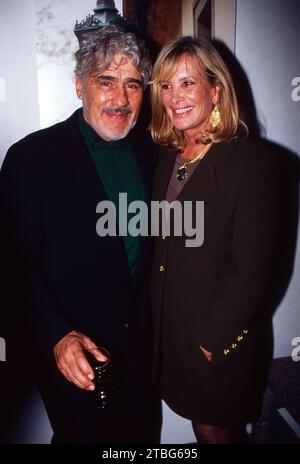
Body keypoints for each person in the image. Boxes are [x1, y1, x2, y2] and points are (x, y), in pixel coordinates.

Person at [0, 25, 161, 444]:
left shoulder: (153, 153)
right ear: (79, 86)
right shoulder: (30, 159)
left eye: (132, 84)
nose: (121, 99)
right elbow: (14, 267)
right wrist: (56, 336)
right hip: (73, 356)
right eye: (105, 81)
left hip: (140, 355)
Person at [150, 36, 280, 444]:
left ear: (216, 89)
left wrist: (211, 342)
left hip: (216, 341)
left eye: (187, 83)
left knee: (213, 433)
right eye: (166, 86)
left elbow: (255, 271)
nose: (175, 97)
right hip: (171, 337)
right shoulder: (167, 157)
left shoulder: (255, 164)